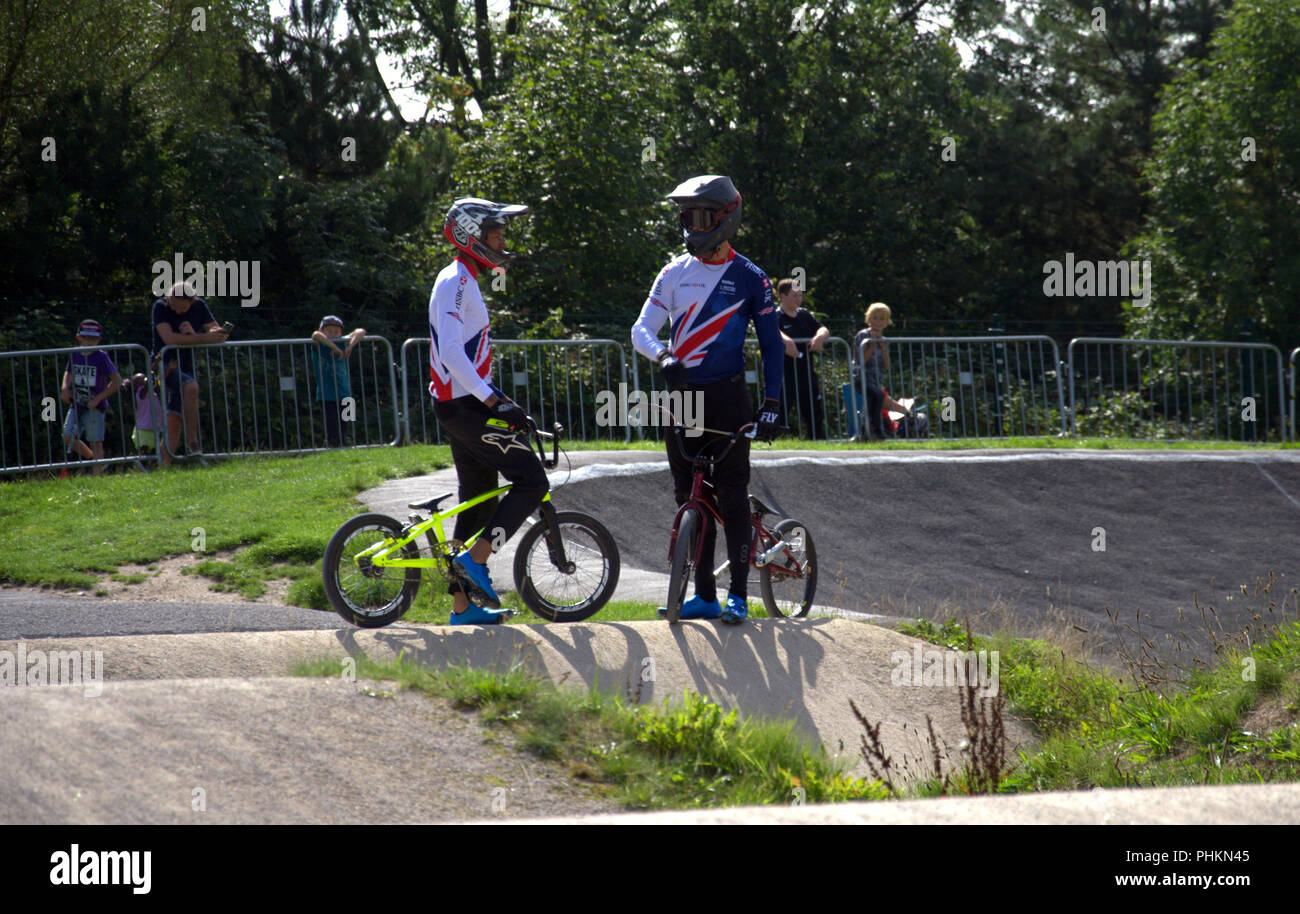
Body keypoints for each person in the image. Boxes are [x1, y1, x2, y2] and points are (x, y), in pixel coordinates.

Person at [631, 174, 785, 625]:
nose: (693, 227)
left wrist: (773, 402)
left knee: (732, 498)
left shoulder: (751, 278)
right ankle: (704, 595)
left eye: (701, 217)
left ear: (725, 218)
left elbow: (773, 345)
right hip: (683, 402)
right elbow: (641, 328)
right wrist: (662, 356)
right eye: (686, 218)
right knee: (688, 500)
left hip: (729, 401)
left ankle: (739, 595)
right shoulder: (673, 272)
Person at [429, 197, 549, 626]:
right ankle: (477, 560)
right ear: (470, 236)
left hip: (461, 403)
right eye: (496, 234)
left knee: (478, 502)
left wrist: (497, 397)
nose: (502, 241)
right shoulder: (456, 281)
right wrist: (494, 401)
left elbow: (464, 360)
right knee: (532, 480)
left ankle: (462, 608)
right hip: (464, 406)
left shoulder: (463, 279)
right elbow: (450, 353)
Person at [150, 281, 228, 457]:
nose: (178, 312)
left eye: (183, 309)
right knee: (191, 387)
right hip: (163, 364)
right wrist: (204, 338)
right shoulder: (160, 307)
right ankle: (193, 443)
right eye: (175, 307)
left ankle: (165, 466)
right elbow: (169, 338)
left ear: (192, 302)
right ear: (169, 298)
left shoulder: (199, 305)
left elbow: (213, 328)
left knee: (174, 417)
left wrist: (218, 332)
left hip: (186, 365)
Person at [60, 319, 121, 477]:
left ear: (99, 340)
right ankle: (95, 460)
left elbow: (116, 381)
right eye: (86, 338)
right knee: (67, 436)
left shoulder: (101, 357)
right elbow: (69, 373)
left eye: (93, 339)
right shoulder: (75, 353)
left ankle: (97, 476)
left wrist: (98, 399)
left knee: (95, 440)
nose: (89, 342)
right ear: (79, 337)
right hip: (77, 403)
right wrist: (65, 388)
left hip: (95, 406)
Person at [776, 279, 830, 439]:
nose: (798, 299)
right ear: (782, 296)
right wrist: (786, 340)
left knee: (814, 411)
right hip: (784, 374)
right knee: (782, 410)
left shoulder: (805, 315)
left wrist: (820, 336)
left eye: (800, 295)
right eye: (794, 295)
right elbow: (771, 330)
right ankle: (777, 441)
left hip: (806, 371)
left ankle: (818, 441)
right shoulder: (775, 315)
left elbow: (823, 328)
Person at [310, 315, 365, 447]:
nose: (333, 334)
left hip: (344, 391)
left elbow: (361, 332)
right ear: (323, 331)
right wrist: (334, 348)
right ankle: (330, 443)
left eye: (336, 331)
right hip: (327, 393)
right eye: (329, 331)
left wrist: (349, 346)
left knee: (346, 421)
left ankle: (344, 441)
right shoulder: (320, 345)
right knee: (331, 421)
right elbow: (316, 335)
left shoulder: (343, 342)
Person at [860, 302, 913, 438]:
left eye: (882, 319)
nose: (878, 321)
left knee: (876, 399)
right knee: (877, 396)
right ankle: (876, 430)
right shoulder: (862, 336)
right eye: (875, 318)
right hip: (861, 378)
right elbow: (860, 360)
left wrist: (883, 347)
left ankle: (870, 431)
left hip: (876, 379)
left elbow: (886, 365)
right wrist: (871, 344)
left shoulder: (884, 340)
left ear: (886, 322)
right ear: (868, 319)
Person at [126, 372, 169, 467]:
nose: (144, 379)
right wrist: (153, 368)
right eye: (141, 379)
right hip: (143, 429)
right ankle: (141, 468)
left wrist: (158, 375)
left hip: (154, 428)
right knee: (143, 452)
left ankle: (153, 469)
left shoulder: (152, 393)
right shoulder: (140, 394)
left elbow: (158, 384)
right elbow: (148, 383)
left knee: (155, 451)